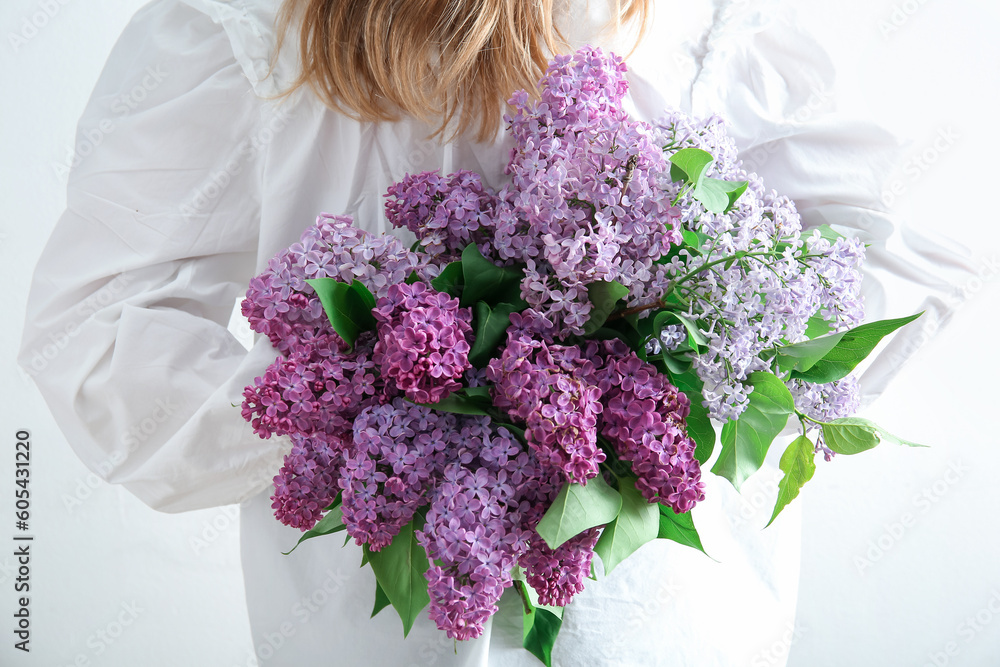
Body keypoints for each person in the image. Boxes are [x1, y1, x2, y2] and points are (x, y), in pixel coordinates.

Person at [18, 0, 968, 665]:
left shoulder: (689, 20)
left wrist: (651, 389)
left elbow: (886, 264)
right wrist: (363, 430)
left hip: (654, 630)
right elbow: (97, 328)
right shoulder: (255, 30)